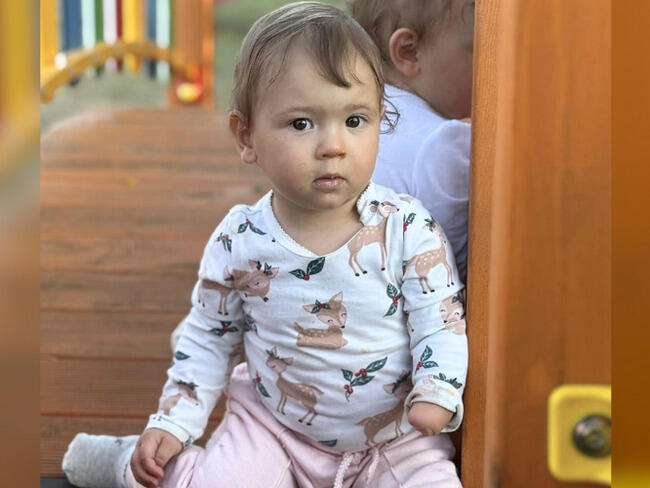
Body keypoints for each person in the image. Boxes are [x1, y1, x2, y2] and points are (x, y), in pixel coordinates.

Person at [62, 3, 467, 487]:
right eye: (302, 124)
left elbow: (440, 318)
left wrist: (438, 388)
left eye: (355, 121)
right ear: (247, 136)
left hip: (395, 437)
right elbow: (208, 335)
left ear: (382, 121)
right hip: (276, 430)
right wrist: (174, 421)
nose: (333, 146)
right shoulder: (241, 240)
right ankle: (131, 464)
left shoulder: (408, 227)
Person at [350, 0, 474, 282]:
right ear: (409, 52)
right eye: (476, 50)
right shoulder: (442, 143)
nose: (494, 67)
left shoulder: (351, 114)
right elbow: (455, 271)